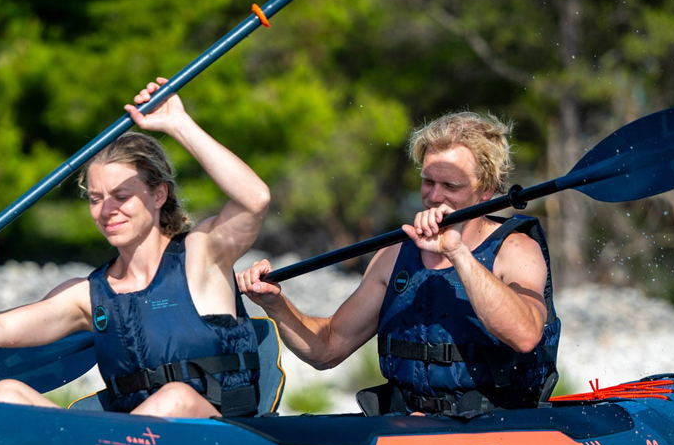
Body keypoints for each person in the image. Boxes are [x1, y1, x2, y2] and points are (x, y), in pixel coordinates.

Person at [0, 79, 270, 418]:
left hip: (218, 435)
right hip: (124, 443)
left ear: (158, 194)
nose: (106, 210)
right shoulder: (89, 295)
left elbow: (254, 199)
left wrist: (177, 124)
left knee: (175, 398)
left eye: (121, 195)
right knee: (7, 393)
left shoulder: (202, 255)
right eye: (96, 198)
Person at [237, 112, 560, 415]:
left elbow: (525, 335)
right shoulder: (394, 256)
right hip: (406, 425)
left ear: (486, 189)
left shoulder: (515, 250)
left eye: (451, 186)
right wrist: (275, 304)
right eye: (428, 181)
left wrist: (456, 252)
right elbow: (327, 348)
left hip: (493, 430)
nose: (434, 196)